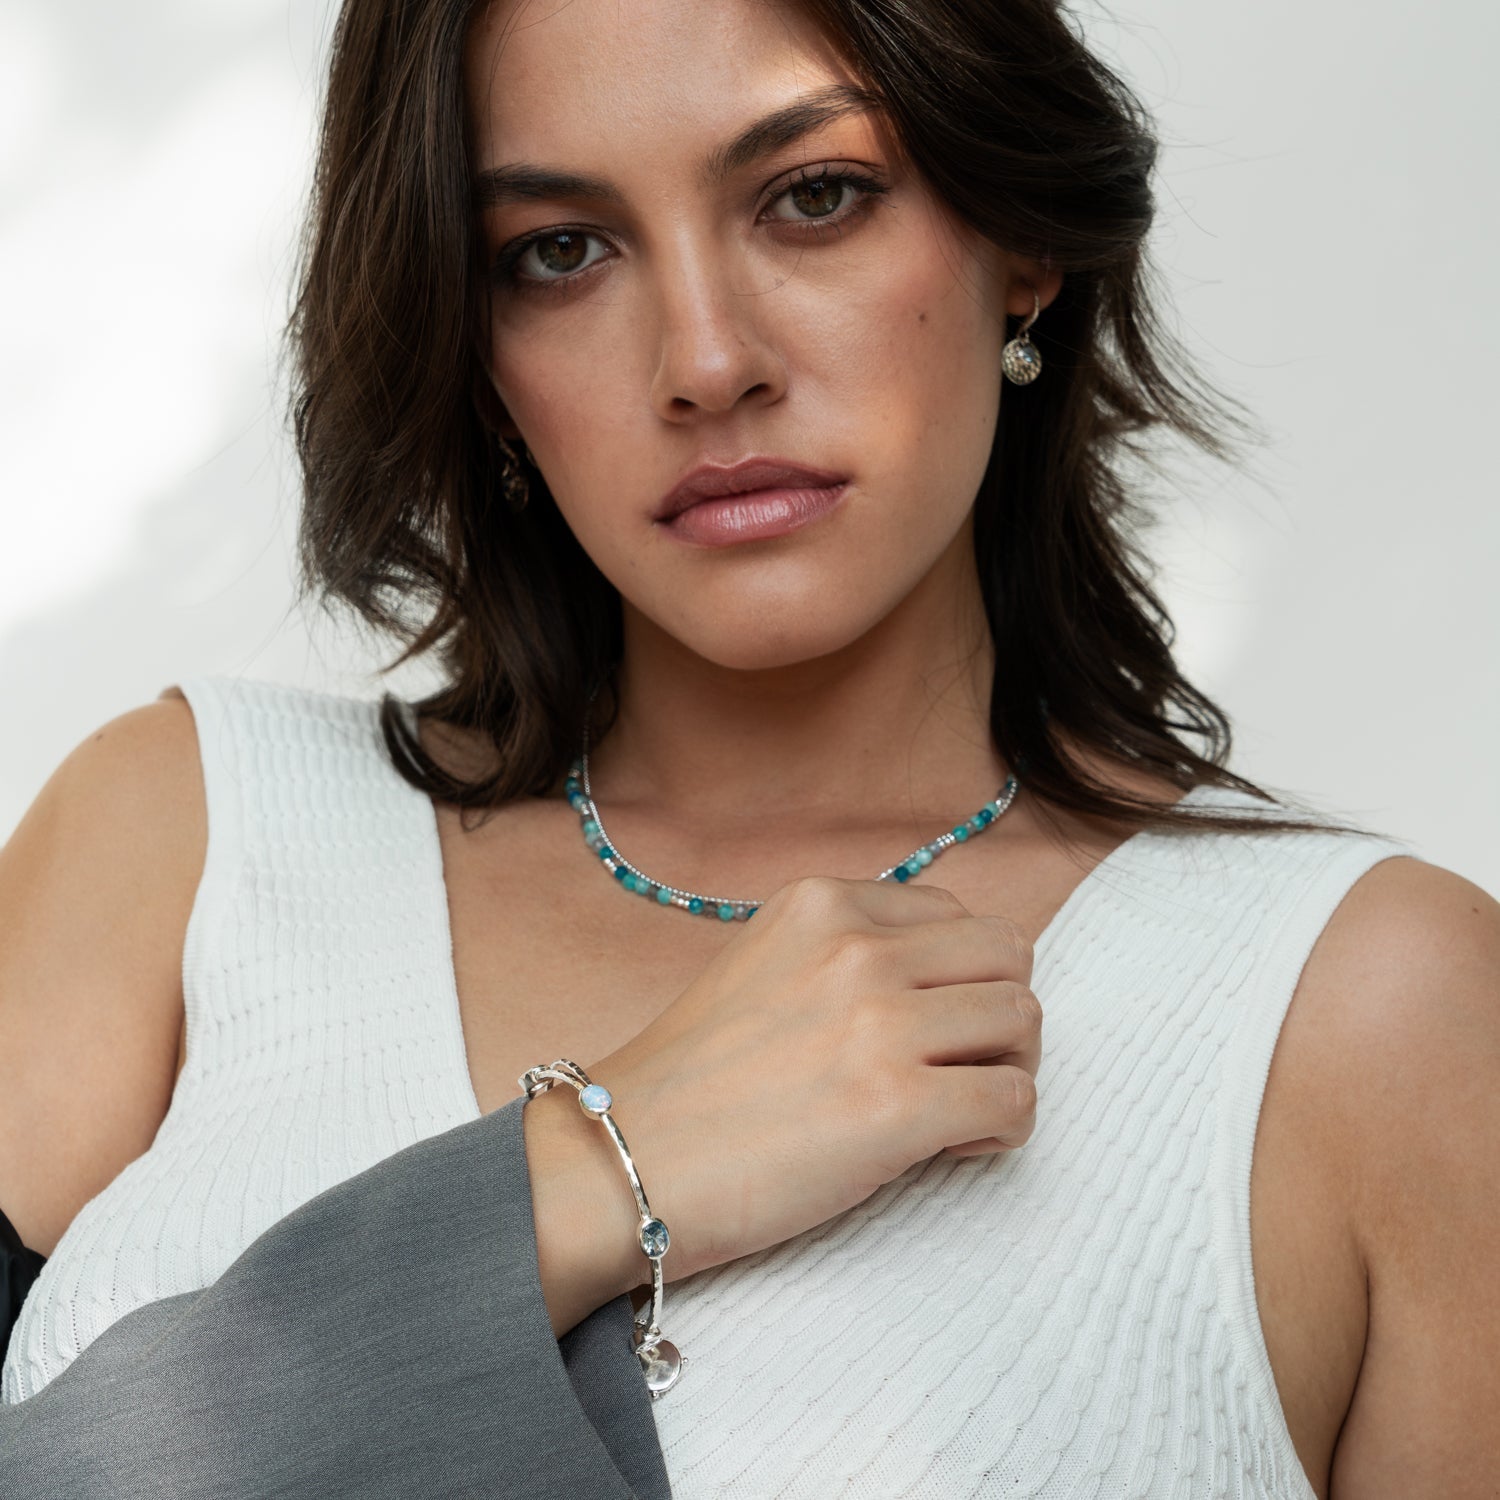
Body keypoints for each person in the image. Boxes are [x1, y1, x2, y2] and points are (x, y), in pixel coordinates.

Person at [1, 0, 1496, 1494]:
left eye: (816, 196)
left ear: (1024, 240)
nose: (707, 362)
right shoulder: (184, 840)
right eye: (559, 251)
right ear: (476, 346)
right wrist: (589, 1174)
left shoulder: (1373, 1017)